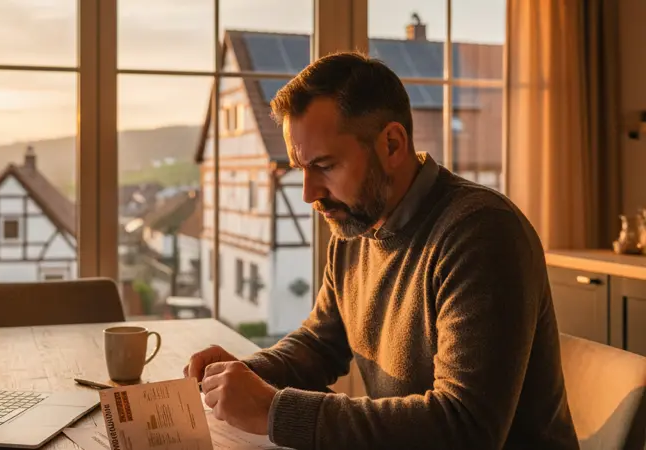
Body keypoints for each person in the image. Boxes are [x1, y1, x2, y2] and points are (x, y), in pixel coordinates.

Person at [185, 52, 580, 450]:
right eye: (299, 168)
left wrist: (275, 410)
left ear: (392, 144)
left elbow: (465, 428)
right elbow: (321, 344)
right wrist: (241, 374)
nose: (309, 194)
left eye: (324, 165)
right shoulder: (356, 226)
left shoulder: (482, 233)